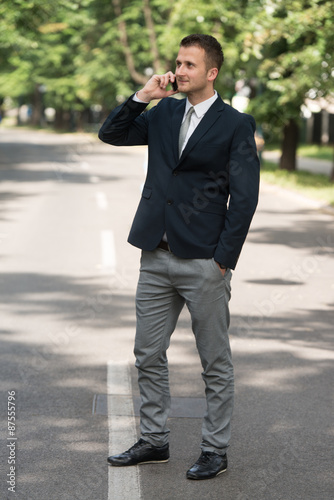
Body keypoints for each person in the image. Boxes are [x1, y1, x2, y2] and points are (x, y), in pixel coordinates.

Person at [99, 34, 260, 480]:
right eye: (178, 62)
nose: (180, 70)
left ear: (211, 73)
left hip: (204, 261)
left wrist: (222, 259)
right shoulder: (165, 111)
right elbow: (111, 133)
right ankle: (153, 441)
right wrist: (143, 96)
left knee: (214, 362)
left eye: (189, 64)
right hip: (156, 254)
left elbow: (244, 199)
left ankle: (215, 449)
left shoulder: (235, 124)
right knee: (147, 353)